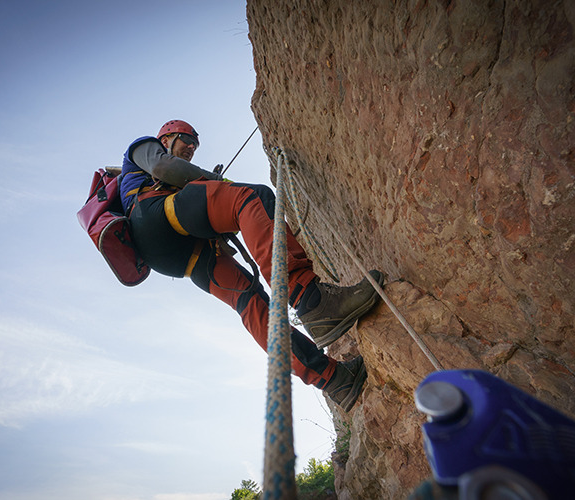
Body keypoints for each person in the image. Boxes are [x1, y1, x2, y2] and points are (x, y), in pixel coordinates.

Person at [121, 119, 384, 411]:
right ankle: (313, 301)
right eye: (187, 140)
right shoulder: (145, 146)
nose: (192, 148)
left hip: (175, 256)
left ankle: (335, 379)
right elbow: (164, 169)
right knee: (252, 198)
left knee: (250, 302)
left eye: (195, 145)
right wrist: (214, 181)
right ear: (167, 136)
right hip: (155, 214)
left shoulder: (157, 179)